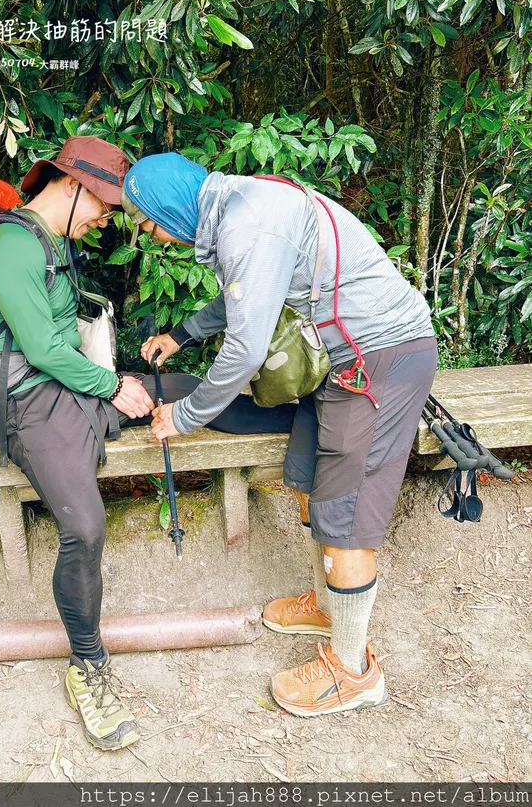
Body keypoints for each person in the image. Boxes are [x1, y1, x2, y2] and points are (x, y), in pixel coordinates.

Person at [0, 137, 295, 750]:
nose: (106, 220)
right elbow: (39, 351)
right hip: (23, 399)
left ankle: (308, 427)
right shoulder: (11, 244)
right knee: (84, 525)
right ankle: (88, 666)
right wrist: (114, 385)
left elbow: (64, 348)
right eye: (105, 207)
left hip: (71, 380)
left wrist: (117, 382)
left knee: (192, 389)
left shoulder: (53, 240)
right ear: (71, 185)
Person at [122, 152, 438, 718]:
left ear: (168, 205)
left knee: (344, 513)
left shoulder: (249, 223)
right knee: (306, 475)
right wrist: (184, 333)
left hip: (378, 362)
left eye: (149, 224)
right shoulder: (235, 207)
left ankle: (353, 672)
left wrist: (185, 414)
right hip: (338, 360)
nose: (155, 238)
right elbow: (248, 292)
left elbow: (245, 351)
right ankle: (326, 603)